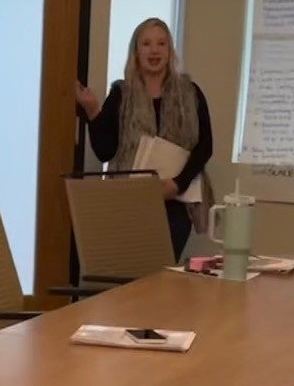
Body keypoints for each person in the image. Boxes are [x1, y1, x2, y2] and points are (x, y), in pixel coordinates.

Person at [76, 18, 213, 260]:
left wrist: (176, 184)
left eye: (161, 43)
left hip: (176, 202)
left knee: (160, 272)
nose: (154, 50)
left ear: (169, 51)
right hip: (130, 203)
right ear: (136, 52)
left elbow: (205, 146)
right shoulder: (121, 93)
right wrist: (93, 111)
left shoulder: (190, 93)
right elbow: (105, 151)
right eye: (146, 44)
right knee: (130, 272)